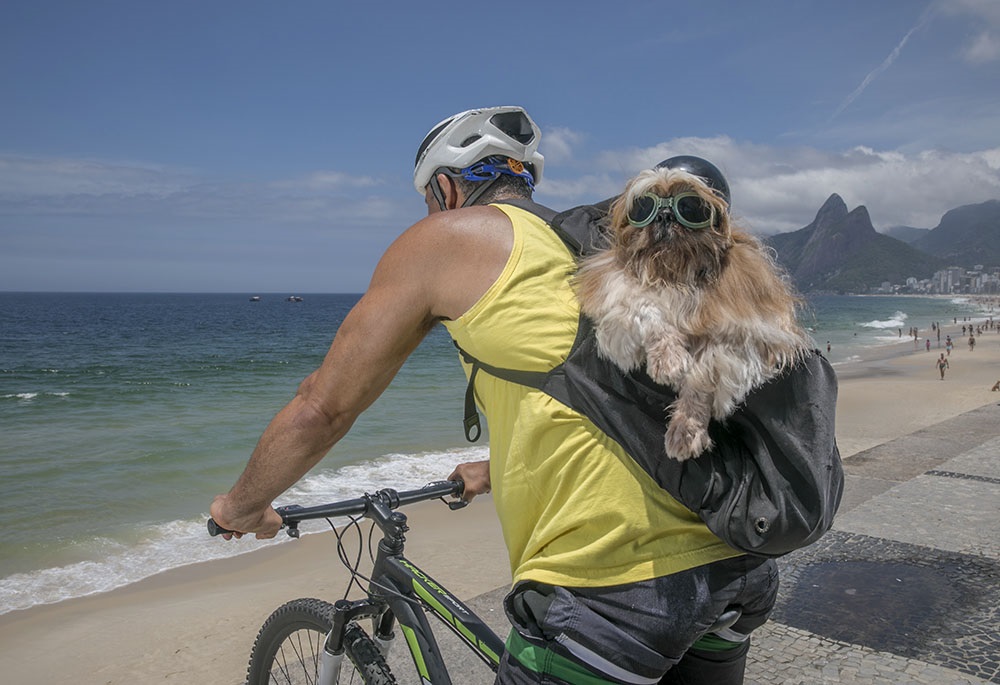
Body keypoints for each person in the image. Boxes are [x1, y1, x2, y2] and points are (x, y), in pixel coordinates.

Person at [210, 106, 786, 684]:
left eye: (428, 201)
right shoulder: (590, 246)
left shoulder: (444, 239)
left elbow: (324, 406)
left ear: (444, 188)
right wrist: (497, 466)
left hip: (614, 591)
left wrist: (242, 506)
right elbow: (605, 386)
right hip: (736, 559)